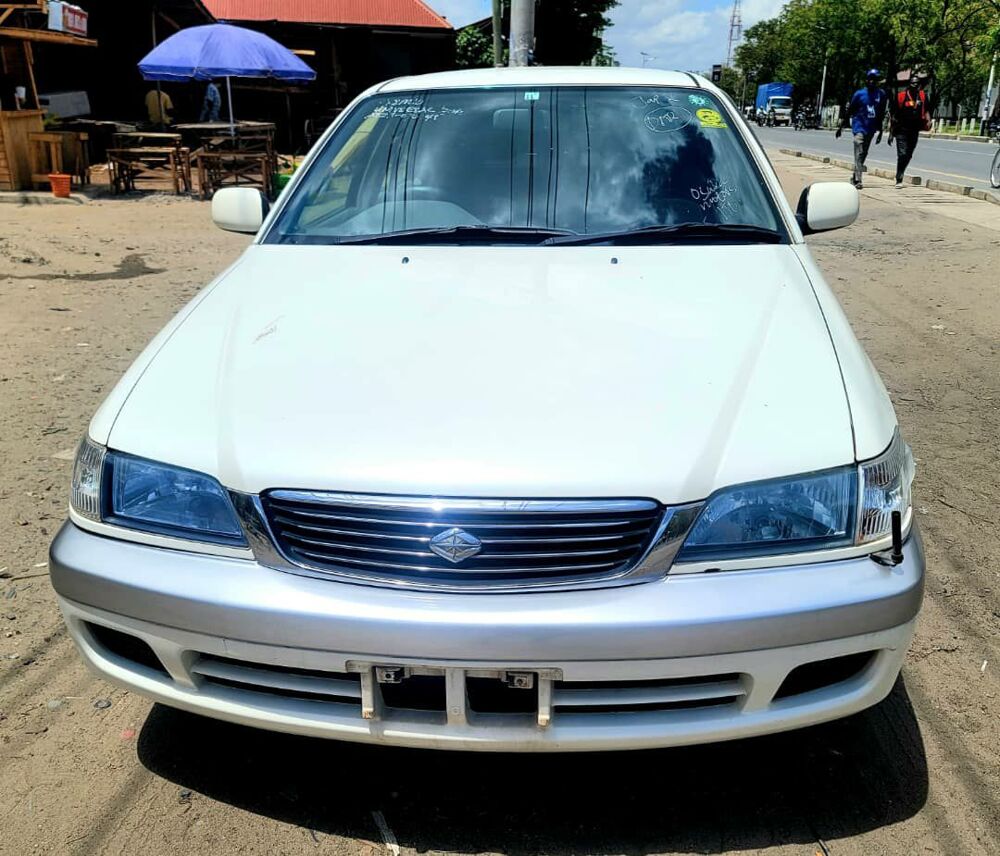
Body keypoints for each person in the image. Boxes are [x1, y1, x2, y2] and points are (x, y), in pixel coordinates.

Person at [836, 69, 887, 189]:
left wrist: (880, 131)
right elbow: (850, 110)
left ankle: (855, 176)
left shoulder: (881, 94)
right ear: (866, 80)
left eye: (875, 80)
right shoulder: (859, 94)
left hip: (871, 128)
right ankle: (858, 180)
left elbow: (881, 113)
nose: (872, 82)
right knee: (858, 149)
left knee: (863, 153)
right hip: (859, 126)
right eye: (870, 79)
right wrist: (841, 127)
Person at [889, 73, 930, 187]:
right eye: (912, 83)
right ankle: (899, 178)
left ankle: (901, 171)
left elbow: (927, 110)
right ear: (909, 84)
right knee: (902, 154)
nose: (914, 85)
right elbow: (894, 116)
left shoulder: (922, 96)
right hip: (901, 130)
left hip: (914, 130)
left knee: (908, 155)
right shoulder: (901, 96)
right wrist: (891, 133)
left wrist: (928, 120)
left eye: (916, 83)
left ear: (919, 85)